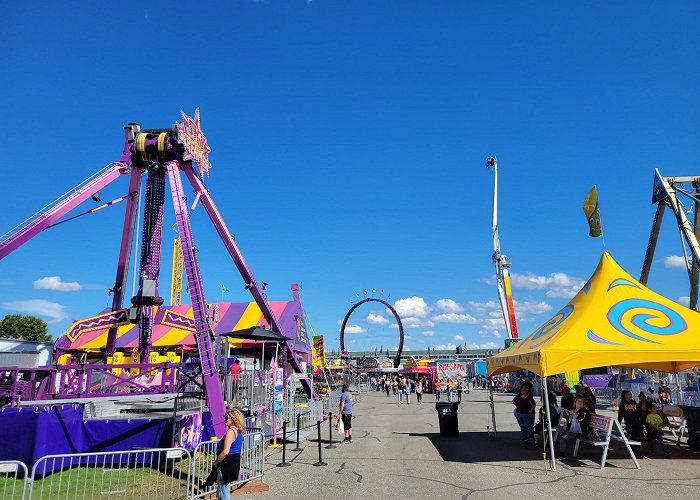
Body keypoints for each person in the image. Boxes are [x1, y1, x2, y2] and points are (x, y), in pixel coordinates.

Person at [202, 407, 245, 500]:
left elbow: (225, 451)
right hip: (234, 462)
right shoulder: (238, 431)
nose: (224, 420)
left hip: (226, 464)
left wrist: (216, 462)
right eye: (224, 417)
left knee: (223, 492)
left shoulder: (231, 432)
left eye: (226, 418)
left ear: (233, 419)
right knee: (223, 489)